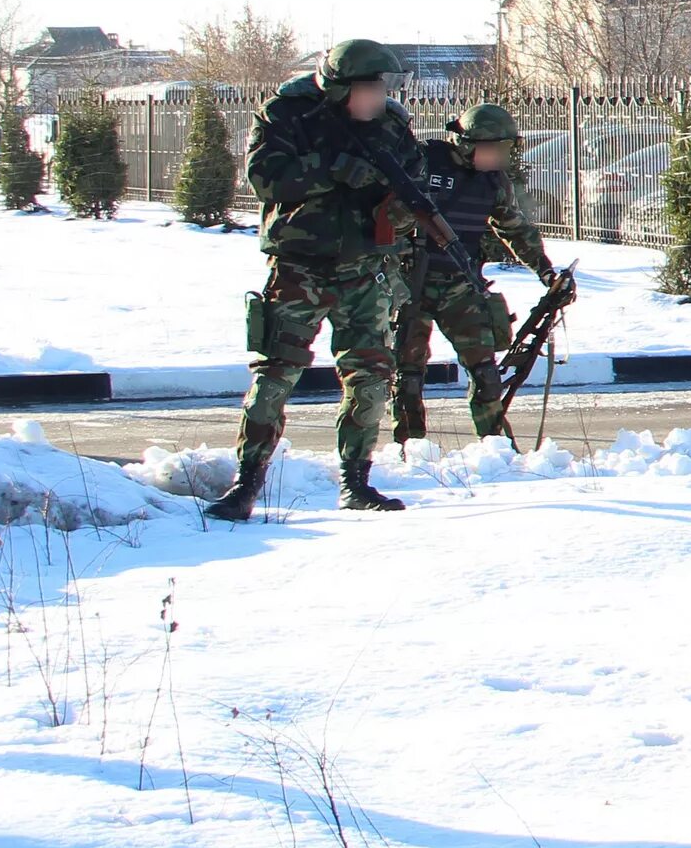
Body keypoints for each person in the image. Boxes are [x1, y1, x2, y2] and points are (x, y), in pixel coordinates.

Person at [209, 40, 442, 520]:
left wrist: (397, 208)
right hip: (301, 264)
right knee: (276, 372)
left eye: (381, 88)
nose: (377, 97)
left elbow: (413, 179)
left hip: (364, 267)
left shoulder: (390, 125)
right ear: (340, 89)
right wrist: (333, 169)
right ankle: (246, 484)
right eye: (367, 88)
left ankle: (356, 483)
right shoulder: (288, 114)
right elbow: (265, 179)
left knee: (372, 375)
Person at [389, 102, 560, 444]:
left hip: (460, 286)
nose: (499, 157)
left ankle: (496, 449)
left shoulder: (493, 182)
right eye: (493, 149)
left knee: (485, 374)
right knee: (407, 375)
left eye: (505, 149)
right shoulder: (423, 162)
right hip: (412, 283)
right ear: (468, 144)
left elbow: (514, 228)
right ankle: (410, 450)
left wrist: (546, 272)